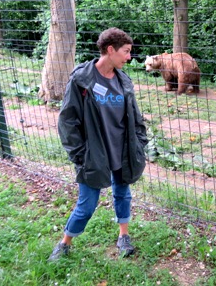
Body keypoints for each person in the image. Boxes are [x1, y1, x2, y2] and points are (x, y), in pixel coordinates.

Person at [48, 28, 148, 262]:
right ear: (110, 50)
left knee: (122, 194)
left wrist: (139, 144)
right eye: (126, 52)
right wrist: (79, 154)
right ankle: (65, 243)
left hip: (122, 150)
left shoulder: (124, 80)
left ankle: (124, 236)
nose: (129, 57)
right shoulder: (82, 80)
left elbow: (135, 117)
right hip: (94, 153)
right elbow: (67, 120)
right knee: (87, 204)